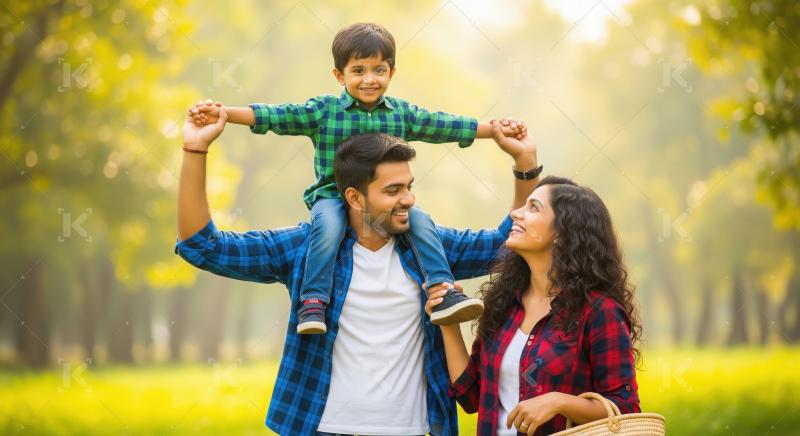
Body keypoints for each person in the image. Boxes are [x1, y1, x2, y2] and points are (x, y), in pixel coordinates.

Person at [176, 107, 541, 435]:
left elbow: (507, 244)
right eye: (393, 190)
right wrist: (195, 149)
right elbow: (203, 246)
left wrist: (525, 162)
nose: (409, 199)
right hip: (323, 428)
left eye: (409, 187)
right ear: (354, 197)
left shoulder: (429, 247)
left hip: (416, 430)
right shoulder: (307, 248)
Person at [186, 22, 528, 334]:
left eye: (379, 70)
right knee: (328, 227)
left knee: (421, 220)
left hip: (385, 208)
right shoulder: (324, 111)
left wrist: (495, 130)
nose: (370, 79)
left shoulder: (401, 114)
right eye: (359, 70)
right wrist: (223, 114)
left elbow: (445, 126)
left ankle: (441, 289)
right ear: (339, 75)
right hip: (331, 196)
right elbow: (276, 116)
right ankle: (313, 300)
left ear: (392, 72)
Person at [426, 176, 642, 435]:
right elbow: (471, 396)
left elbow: (625, 410)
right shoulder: (504, 303)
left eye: (533, 207)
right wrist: (448, 320)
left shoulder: (599, 312)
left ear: (562, 231)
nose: (516, 214)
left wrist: (559, 402)